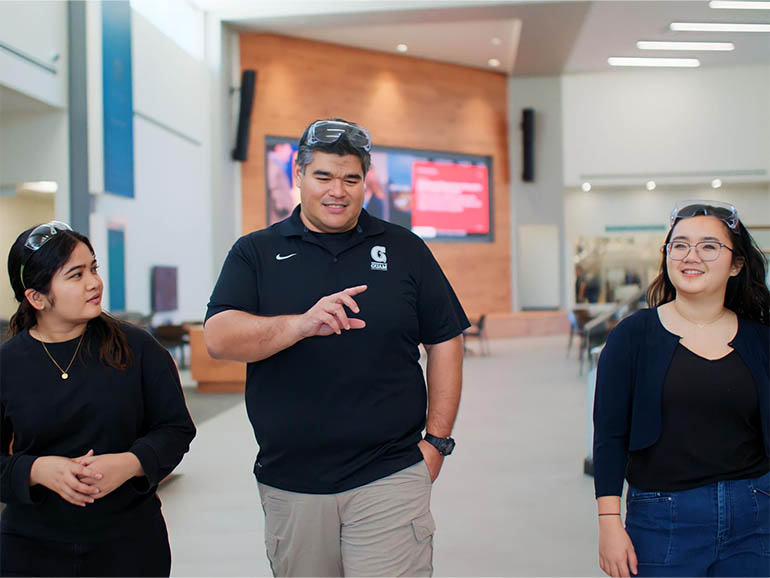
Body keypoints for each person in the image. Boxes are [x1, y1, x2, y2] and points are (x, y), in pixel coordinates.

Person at [204, 118, 469, 577]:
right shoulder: (256, 253)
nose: (337, 191)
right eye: (323, 176)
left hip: (389, 473)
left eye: (351, 178)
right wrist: (301, 324)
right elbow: (219, 336)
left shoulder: (404, 248)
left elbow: (446, 338)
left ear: (365, 182)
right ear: (298, 176)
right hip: (291, 483)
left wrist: (436, 442)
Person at [0, 222, 196, 577]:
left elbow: (176, 429)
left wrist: (130, 463)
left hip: (131, 543)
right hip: (30, 547)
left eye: (93, 268)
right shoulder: (7, 364)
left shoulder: (139, 349)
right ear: (37, 297)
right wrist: (37, 470)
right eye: (75, 275)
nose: (94, 283)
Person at [593, 200, 770, 577]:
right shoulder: (632, 336)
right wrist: (609, 521)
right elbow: (609, 435)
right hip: (662, 518)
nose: (692, 256)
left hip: (755, 514)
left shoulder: (760, 340)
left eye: (709, 246)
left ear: (736, 264)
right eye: (680, 244)